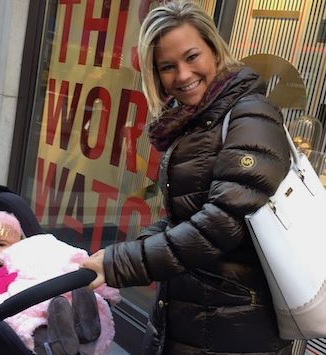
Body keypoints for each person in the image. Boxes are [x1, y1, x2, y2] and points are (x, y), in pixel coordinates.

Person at [81, 1, 292, 354]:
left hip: (235, 325)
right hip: (193, 313)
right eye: (167, 66)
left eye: (192, 57)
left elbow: (222, 224)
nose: (182, 75)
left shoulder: (251, 115)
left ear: (214, 49)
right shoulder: (196, 120)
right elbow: (189, 217)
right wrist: (126, 250)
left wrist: (125, 262)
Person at [0, 211, 120, 355]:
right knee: (35, 325)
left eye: (1, 244)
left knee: (62, 298)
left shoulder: (21, 258)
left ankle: (86, 327)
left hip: (40, 293)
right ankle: (56, 346)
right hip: (6, 309)